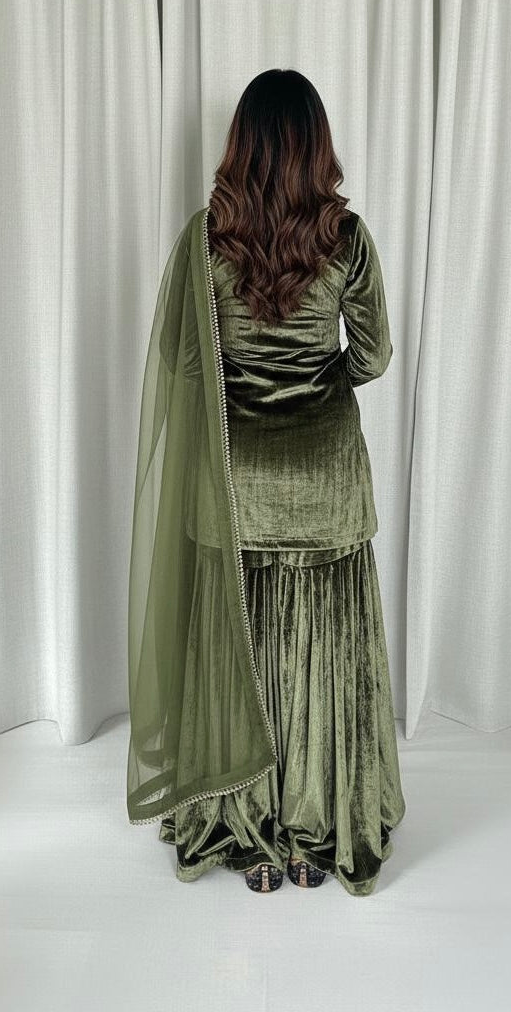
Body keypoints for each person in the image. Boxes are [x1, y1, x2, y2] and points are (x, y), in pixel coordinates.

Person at [127, 68, 405, 897]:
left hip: (232, 480)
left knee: (236, 658)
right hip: (324, 479)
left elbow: (182, 361)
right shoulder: (345, 238)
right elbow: (373, 356)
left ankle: (244, 834)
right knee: (321, 662)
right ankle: (317, 834)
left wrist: (242, 381)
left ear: (239, 145)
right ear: (317, 146)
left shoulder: (206, 239)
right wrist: (319, 384)